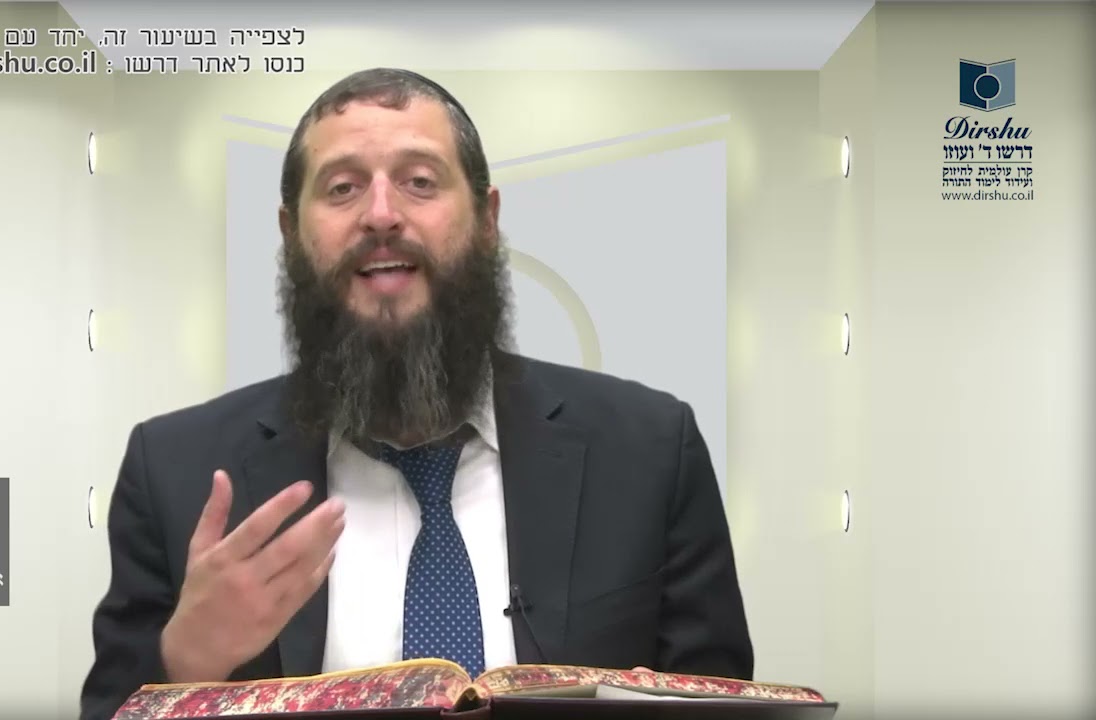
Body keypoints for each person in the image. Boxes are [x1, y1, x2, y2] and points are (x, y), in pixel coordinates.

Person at [80, 68, 753, 720]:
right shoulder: (172, 470)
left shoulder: (650, 450)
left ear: (487, 218)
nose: (381, 214)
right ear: (290, 235)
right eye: (342, 188)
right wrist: (186, 664)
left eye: (420, 182)